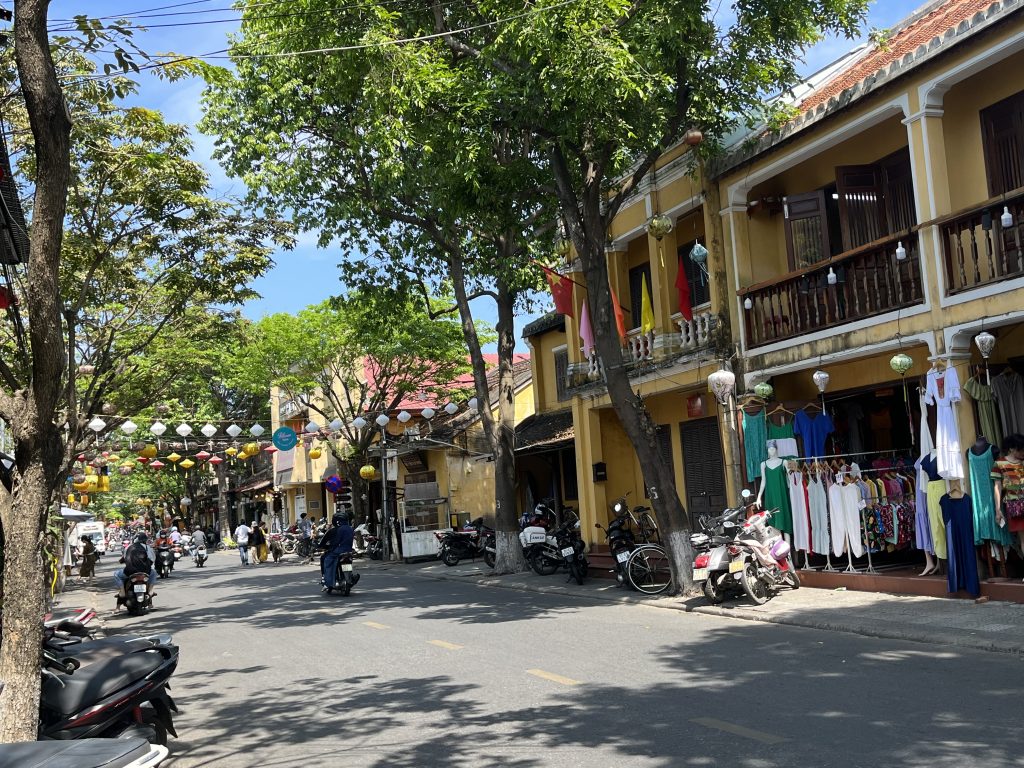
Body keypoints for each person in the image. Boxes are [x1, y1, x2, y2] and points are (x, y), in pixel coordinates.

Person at [320, 512, 357, 591]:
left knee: (327, 560)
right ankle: (350, 577)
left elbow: (336, 542)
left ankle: (328, 582)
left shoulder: (339, 529)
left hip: (339, 550)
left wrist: (331, 548)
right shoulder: (350, 528)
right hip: (349, 550)